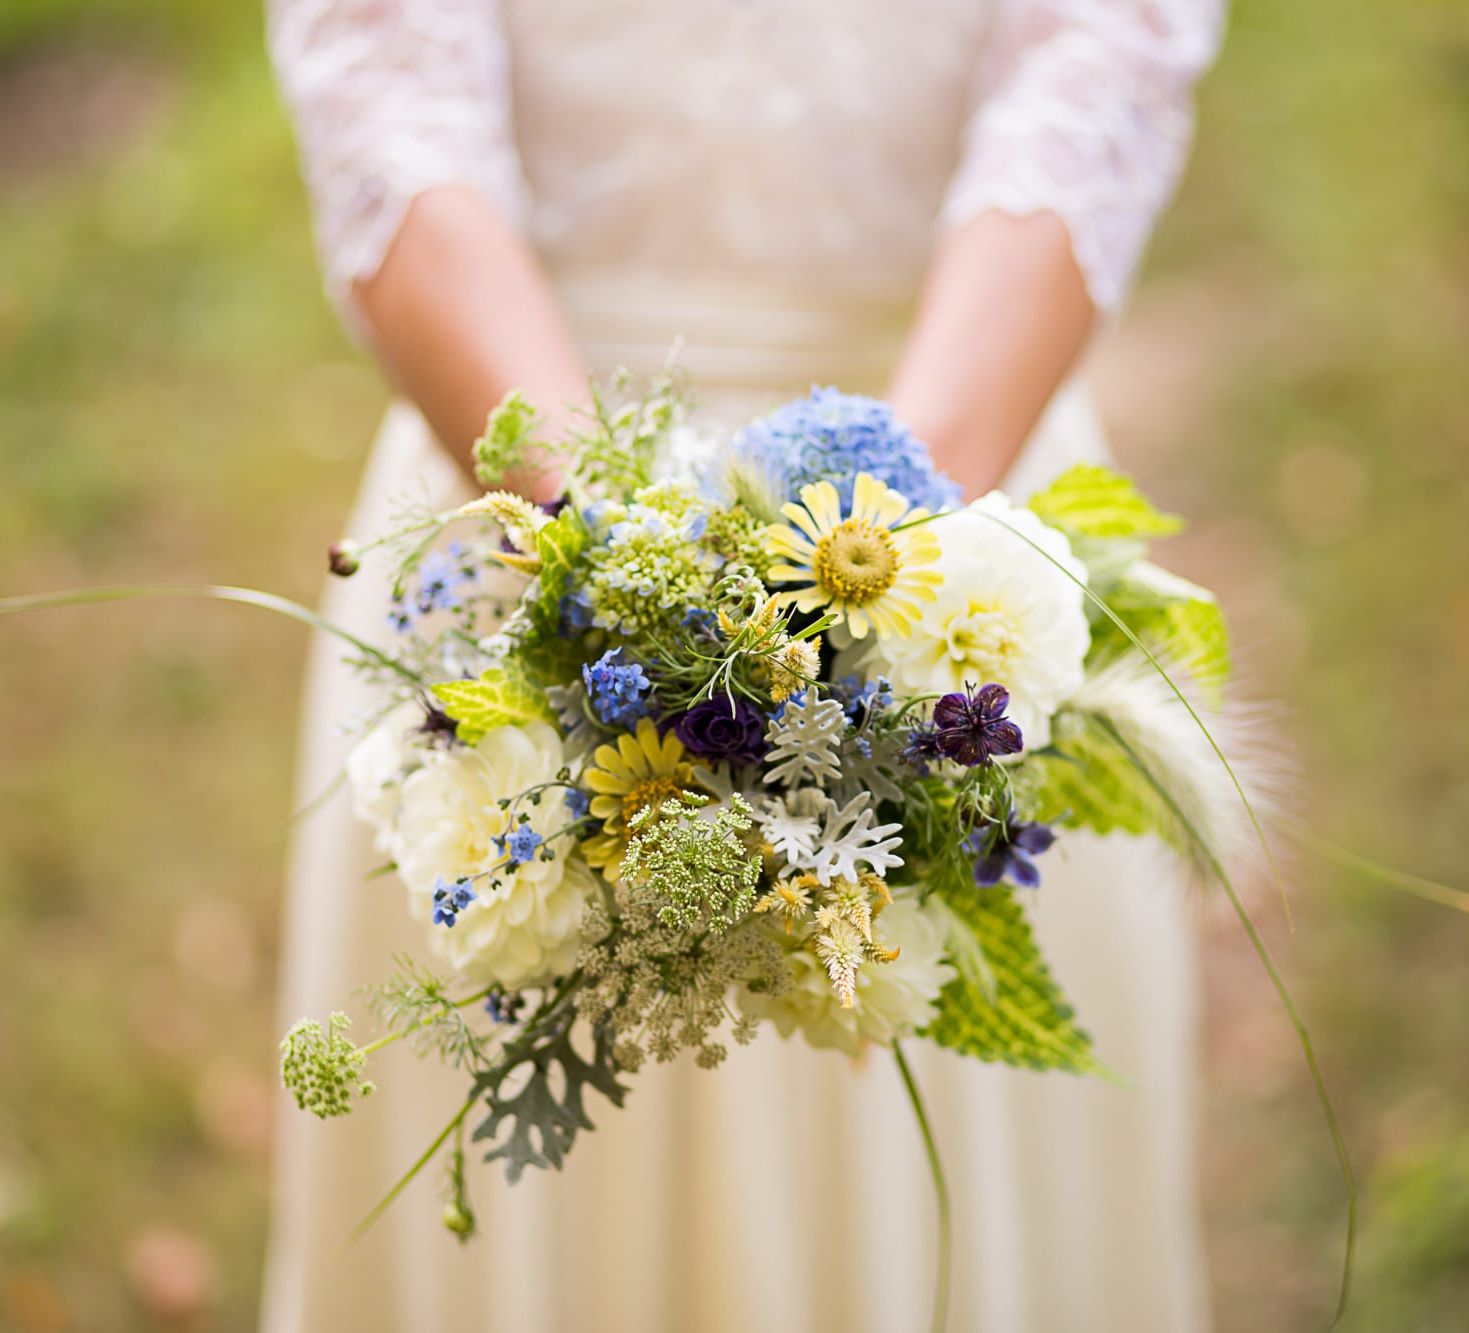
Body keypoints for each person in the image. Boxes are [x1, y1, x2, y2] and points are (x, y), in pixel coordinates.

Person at [264, 2, 1224, 1328]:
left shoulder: (930, 549)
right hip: (513, 497)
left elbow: (1096, 53)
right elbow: (388, 92)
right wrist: (598, 559)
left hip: (960, 506)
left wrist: (892, 557)